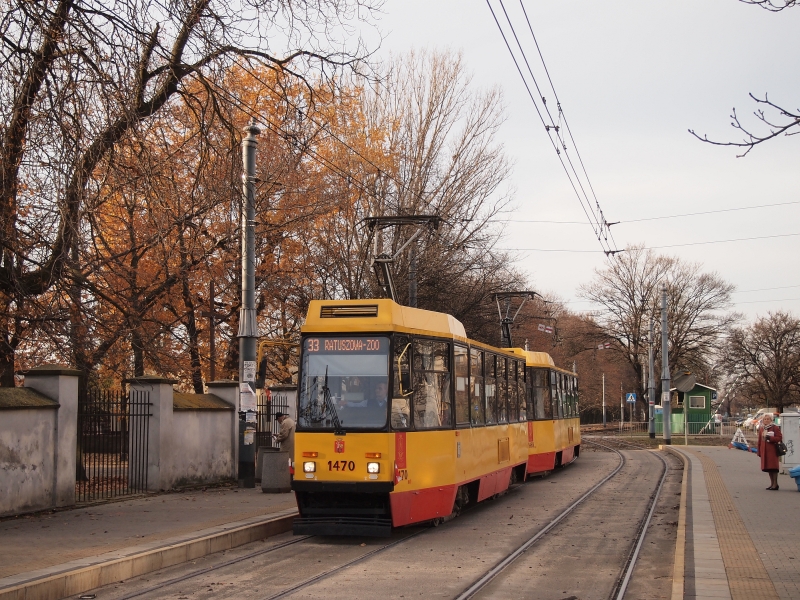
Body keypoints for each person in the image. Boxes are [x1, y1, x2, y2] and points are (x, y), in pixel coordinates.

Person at [757, 413, 782, 490]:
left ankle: (775, 484)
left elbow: (779, 438)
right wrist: (759, 451)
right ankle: (772, 484)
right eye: (765, 419)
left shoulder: (775, 428)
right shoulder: (762, 428)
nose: (766, 420)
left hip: (772, 451)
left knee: (773, 467)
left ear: (771, 420)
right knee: (768, 468)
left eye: (768, 419)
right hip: (764, 451)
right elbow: (759, 441)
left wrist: (770, 438)